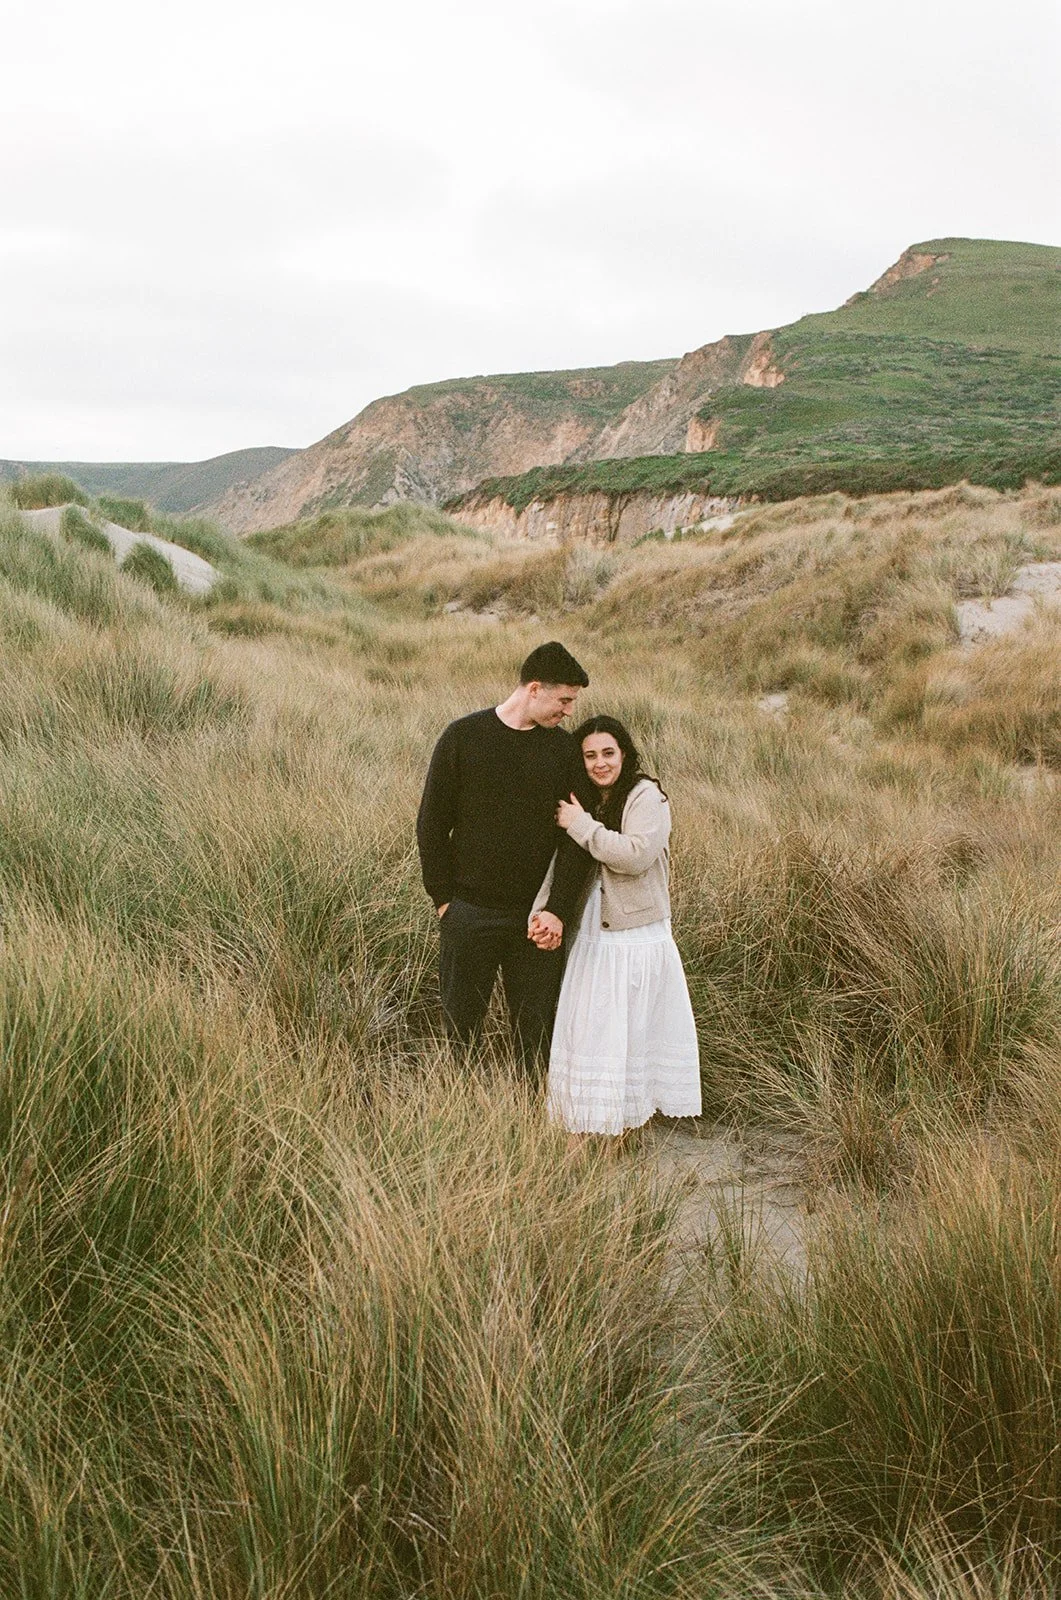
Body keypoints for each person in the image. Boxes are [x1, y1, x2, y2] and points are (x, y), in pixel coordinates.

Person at [416, 642, 593, 1072]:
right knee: (461, 1031)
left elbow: (576, 841)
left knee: (536, 1035)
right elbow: (431, 824)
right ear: (534, 689)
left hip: (536, 919)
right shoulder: (462, 737)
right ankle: (462, 1115)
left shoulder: (563, 751)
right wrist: (445, 902)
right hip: (469, 912)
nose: (569, 711)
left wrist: (557, 910)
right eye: (564, 700)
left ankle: (530, 1122)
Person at [534, 715, 701, 1136]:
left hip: (634, 936)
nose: (600, 763)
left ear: (624, 753)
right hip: (591, 932)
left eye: (608, 753)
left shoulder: (647, 796)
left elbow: (635, 855)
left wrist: (581, 824)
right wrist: (543, 908)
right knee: (589, 1034)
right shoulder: (587, 799)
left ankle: (620, 1132)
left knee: (626, 1036)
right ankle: (581, 1127)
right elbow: (562, 864)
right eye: (589, 755)